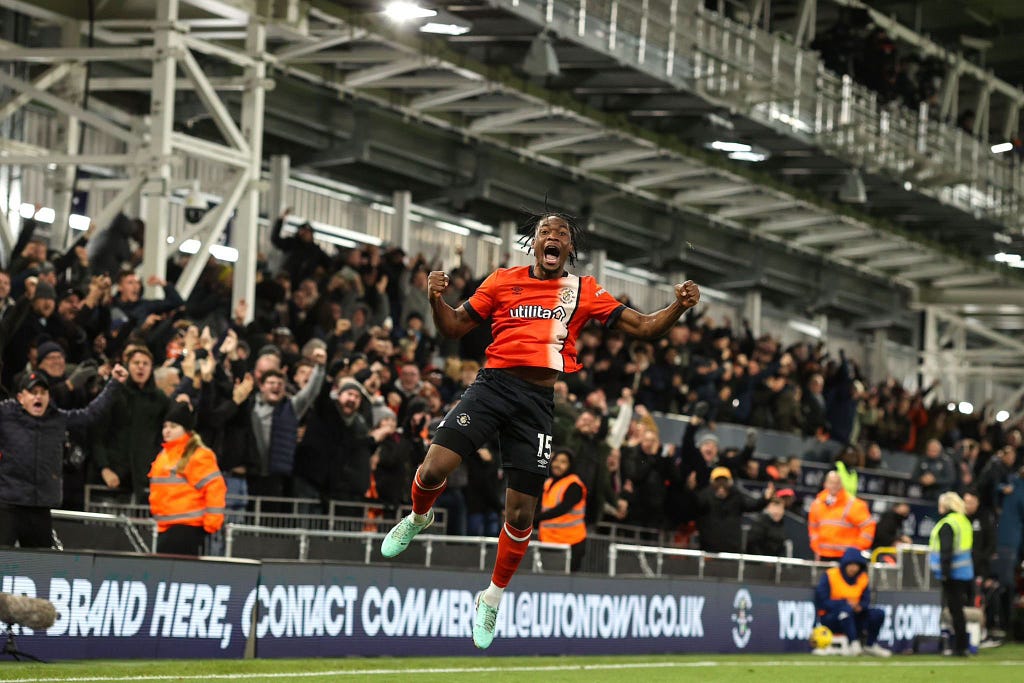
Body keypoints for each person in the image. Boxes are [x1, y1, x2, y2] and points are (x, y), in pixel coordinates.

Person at [378, 213, 701, 649]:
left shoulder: (584, 290)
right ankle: (419, 516)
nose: (553, 237)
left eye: (562, 234)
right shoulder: (501, 281)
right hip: (491, 386)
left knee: (520, 514)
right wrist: (437, 299)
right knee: (435, 468)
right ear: (533, 243)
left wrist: (679, 305)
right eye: (546, 232)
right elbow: (454, 326)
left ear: (570, 249)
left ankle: (491, 597)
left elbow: (644, 326)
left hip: (536, 402)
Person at [0, 364, 128, 547]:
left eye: (43, 392)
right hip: (7, 504)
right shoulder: (5, 415)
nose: (38, 396)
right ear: (20, 397)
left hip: (40, 506)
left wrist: (114, 384)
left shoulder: (57, 419)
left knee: (38, 566)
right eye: (32, 392)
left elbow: (90, 414)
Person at [148, 402, 227, 556]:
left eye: (173, 426)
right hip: (166, 527)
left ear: (185, 429)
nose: (167, 431)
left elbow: (215, 487)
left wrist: (211, 523)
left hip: (187, 529)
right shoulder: (164, 455)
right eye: (165, 426)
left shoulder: (198, 455)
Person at [814, 547, 892, 657]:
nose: (853, 568)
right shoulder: (830, 575)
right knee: (845, 611)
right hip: (832, 617)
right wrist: (844, 603)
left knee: (878, 613)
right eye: (850, 565)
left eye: (856, 565)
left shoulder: (862, 578)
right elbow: (822, 601)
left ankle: (870, 645)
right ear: (845, 564)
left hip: (855, 616)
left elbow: (866, 600)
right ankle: (853, 643)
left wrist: (860, 606)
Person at [929, 491, 974, 656]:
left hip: (951, 574)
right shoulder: (963, 521)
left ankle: (959, 647)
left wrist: (945, 572)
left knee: (955, 611)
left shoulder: (948, 523)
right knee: (958, 610)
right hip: (964, 572)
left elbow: (946, 550)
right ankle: (961, 645)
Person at [691, 466, 774, 553]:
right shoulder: (704, 497)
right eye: (718, 482)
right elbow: (693, 507)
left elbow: (753, 505)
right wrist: (691, 490)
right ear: (712, 483)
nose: (721, 486)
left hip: (732, 550)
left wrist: (765, 499)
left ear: (730, 483)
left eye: (724, 482)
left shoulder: (736, 497)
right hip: (708, 550)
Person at [536, 448, 587, 572]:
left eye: (563, 462)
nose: (558, 465)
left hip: (571, 542)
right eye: (556, 460)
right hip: (548, 540)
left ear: (570, 465)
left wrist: (535, 518)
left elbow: (562, 509)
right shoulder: (549, 482)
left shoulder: (574, 484)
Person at [808, 471, 876, 561]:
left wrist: (857, 548)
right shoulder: (817, 504)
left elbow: (869, 526)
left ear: (841, 484)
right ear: (825, 484)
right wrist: (816, 548)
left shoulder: (854, 504)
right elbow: (813, 528)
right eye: (831, 482)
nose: (834, 486)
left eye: (837, 483)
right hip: (823, 555)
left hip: (846, 557)